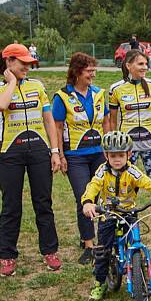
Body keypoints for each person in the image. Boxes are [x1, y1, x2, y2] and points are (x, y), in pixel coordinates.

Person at [0, 43, 62, 277]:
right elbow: (1, 105)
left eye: (30, 64)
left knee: (43, 202)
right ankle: (7, 256)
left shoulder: (37, 86)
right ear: (9, 62)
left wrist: (55, 151)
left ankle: (49, 251)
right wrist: (11, 82)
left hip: (39, 151)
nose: (28, 67)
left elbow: (48, 120)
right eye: (23, 64)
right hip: (10, 153)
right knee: (11, 206)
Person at [81, 131, 151, 301]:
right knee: (103, 251)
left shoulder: (133, 171)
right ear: (106, 155)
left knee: (135, 239)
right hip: (107, 214)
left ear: (129, 154)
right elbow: (92, 186)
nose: (117, 159)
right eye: (113, 156)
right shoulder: (102, 172)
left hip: (129, 214)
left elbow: (149, 183)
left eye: (121, 155)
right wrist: (87, 202)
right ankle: (100, 283)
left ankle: (139, 267)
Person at [109, 49, 151, 245]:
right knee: (126, 187)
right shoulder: (116, 89)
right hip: (127, 147)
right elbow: (112, 121)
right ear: (128, 65)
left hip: (150, 143)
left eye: (146, 64)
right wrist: (114, 148)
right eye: (140, 64)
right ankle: (126, 226)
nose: (145, 67)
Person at [53, 52, 111, 266]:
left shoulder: (98, 94)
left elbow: (106, 122)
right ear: (77, 72)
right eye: (89, 71)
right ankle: (89, 245)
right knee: (84, 197)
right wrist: (59, 153)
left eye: (94, 71)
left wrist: (109, 148)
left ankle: (101, 237)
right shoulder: (62, 97)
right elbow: (57, 127)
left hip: (98, 153)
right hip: (75, 155)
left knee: (101, 197)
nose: (93, 75)